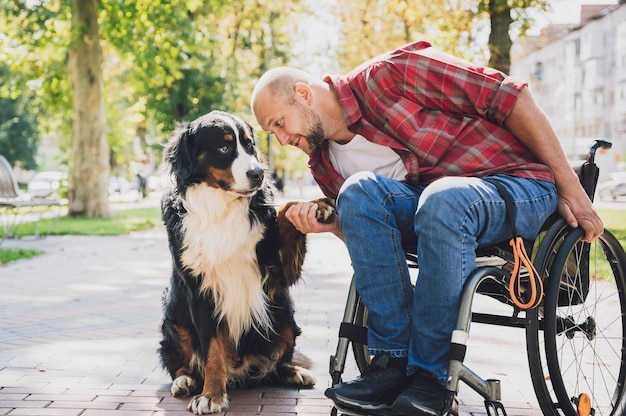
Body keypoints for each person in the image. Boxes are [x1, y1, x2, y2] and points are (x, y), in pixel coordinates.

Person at [250, 41, 603, 416]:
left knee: (442, 198)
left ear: (303, 95)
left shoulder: (392, 75)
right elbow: (375, 246)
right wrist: (336, 224)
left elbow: (512, 98)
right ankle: (393, 363)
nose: (283, 141)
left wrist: (573, 189)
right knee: (358, 194)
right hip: (436, 211)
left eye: (278, 125)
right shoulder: (324, 165)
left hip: (515, 182)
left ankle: (432, 377)